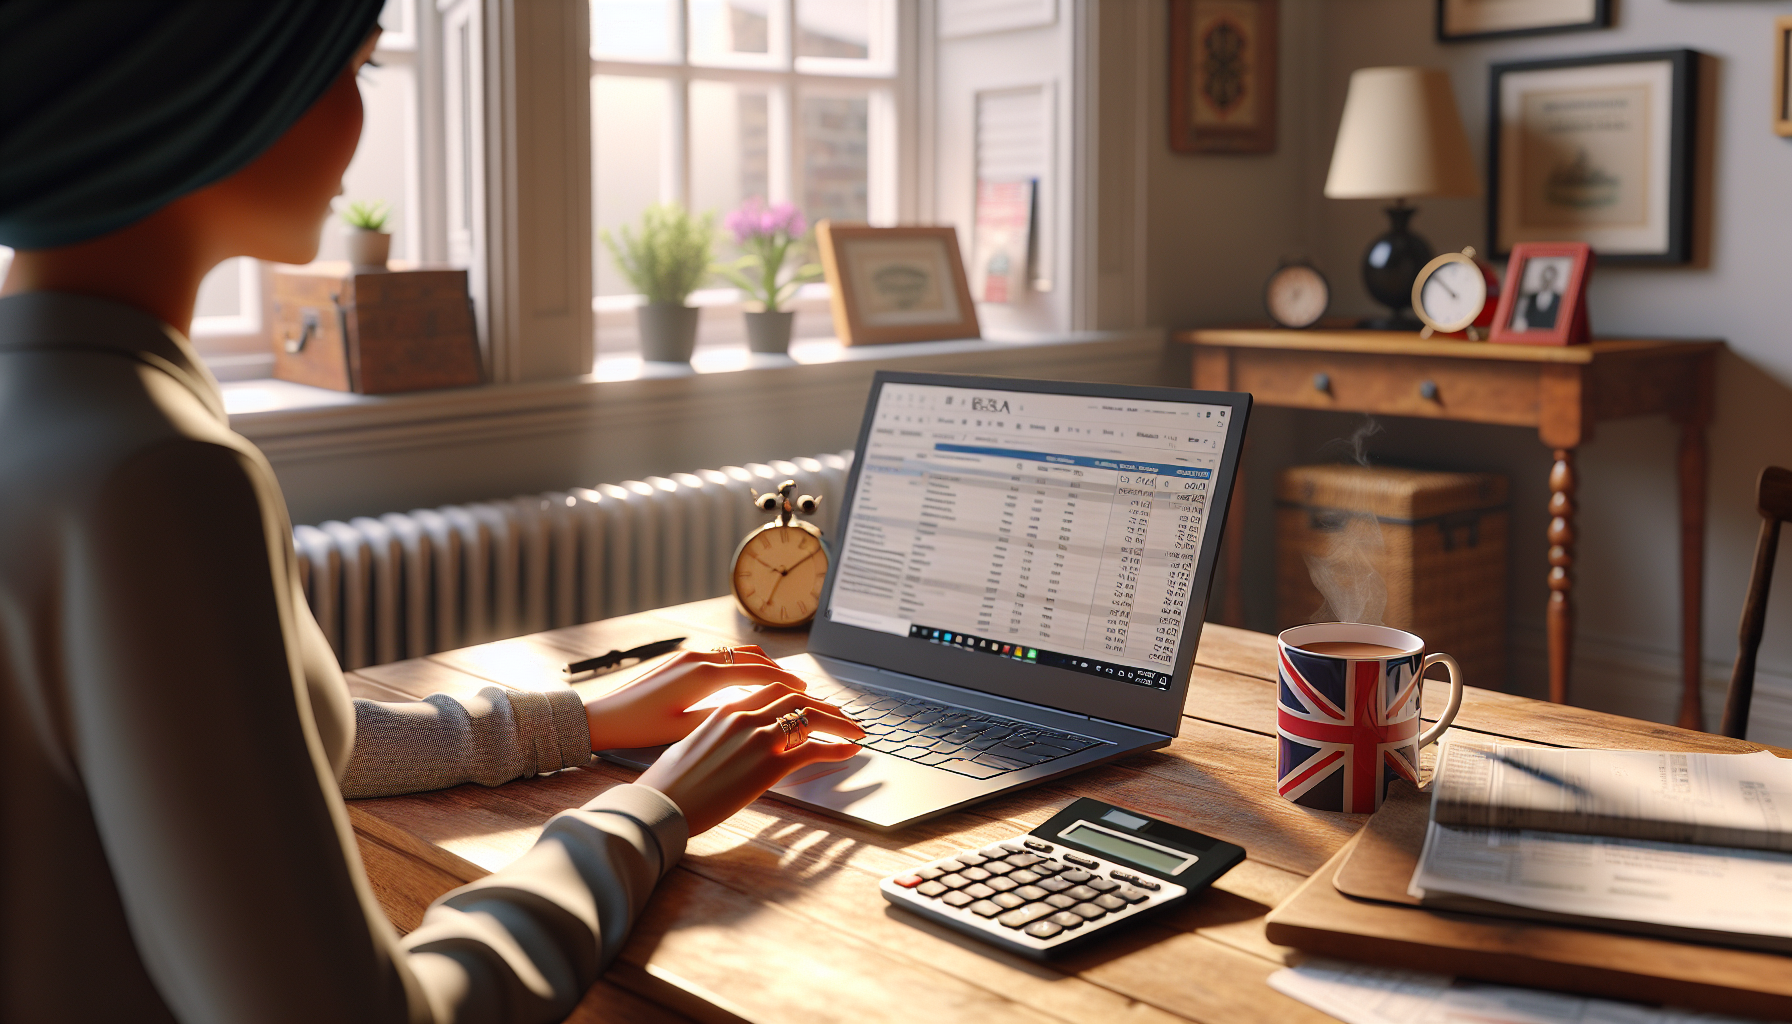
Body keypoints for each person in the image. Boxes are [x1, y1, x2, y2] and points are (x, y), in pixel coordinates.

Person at [0, 4, 863, 1021]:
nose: (359, 126)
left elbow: (223, 754)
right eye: (351, 67)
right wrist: (647, 812)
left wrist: (570, 719)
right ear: (218, 83)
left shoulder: (57, 419)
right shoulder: (162, 475)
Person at [1513, 261, 1561, 331]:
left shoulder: (1558, 299)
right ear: (1542, 278)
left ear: (1553, 280)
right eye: (1545, 278)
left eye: (1550, 279)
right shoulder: (1531, 297)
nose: (1547, 282)